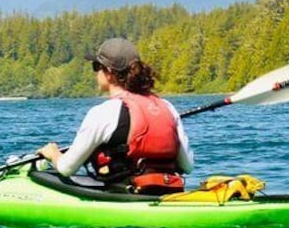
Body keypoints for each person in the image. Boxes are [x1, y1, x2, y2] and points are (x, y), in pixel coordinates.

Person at [38, 37, 194, 194]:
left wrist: (53, 154)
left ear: (110, 72)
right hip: (168, 192)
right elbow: (188, 166)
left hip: (125, 195)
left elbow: (67, 168)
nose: (95, 73)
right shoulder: (167, 107)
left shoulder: (102, 112)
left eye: (96, 67)